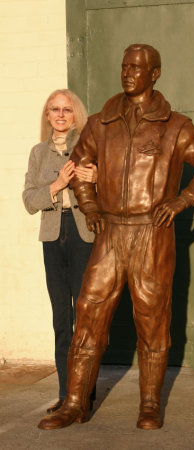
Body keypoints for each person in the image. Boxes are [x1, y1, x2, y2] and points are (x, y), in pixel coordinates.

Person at [38, 45, 194, 431]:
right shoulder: (101, 123)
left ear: (154, 73)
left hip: (150, 235)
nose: (128, 73)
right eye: (124, 66)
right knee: (88, 313)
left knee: (152, 320)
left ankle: (150, 404)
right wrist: (89, 208)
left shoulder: (176, 126)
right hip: (109, 233)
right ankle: (74, 403)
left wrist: (180, 202)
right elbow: (78, 166)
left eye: (137, 68)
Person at [23, 89, 97, 414]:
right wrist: (56, 185)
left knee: (85, 318)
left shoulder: (89, 148)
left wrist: (96, 178)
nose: (61, 114)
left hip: (83, 236)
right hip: (53, 238)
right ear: (47, 115)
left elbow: (109, 195)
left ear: (75, 114)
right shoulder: (38, 153)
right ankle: (67, 395)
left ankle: (85, 394)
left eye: (67, 109)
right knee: (61, 319)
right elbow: (28, 200)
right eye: (55, 109)